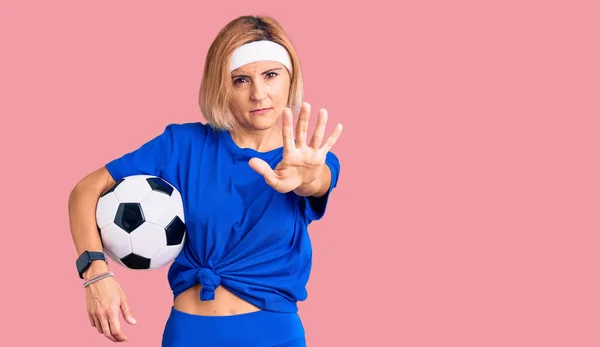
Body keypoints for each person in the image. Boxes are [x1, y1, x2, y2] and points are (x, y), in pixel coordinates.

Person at [68, 15, 342, 346]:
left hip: (275, 336)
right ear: (221, 84)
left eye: (270, 75)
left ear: (290, 78)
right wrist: (95, 273)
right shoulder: (182, 145)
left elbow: (317, 181)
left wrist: (308, 176)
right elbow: (85, 191)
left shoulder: (308, 159)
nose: (259, 94)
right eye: (241, 80)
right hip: (191, 334)